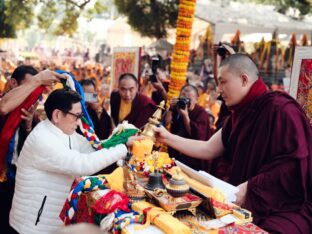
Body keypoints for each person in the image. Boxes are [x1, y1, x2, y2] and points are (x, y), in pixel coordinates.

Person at [154, 54, 312, 233]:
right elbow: (208, 148)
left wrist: (250, 188)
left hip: (286, 205)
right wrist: (166, 137)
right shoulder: (239, 116)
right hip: (244, 198)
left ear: (244, 80)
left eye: (223, 82)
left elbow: (294, 168)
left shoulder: (280, 109)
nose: (219, 90)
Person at [9, 89, 140, 234]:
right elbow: (83, 164)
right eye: (76, 116)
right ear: (57, 115)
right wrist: (122, 147)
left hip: (50, 221)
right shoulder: (42, 139)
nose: (79, 122)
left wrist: (121, 140)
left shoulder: (64, 131)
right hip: (32, 226)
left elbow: (93, 150)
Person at [0, 66, 66, 234]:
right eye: (28, 87)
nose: (30, 95)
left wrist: (29, 127)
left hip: (16, 183)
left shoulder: (32, 116)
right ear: (13, 84)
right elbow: (3, 107)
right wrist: (37, 79)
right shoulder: (5, 104)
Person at [165, 84, 212, 171]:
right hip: (176, 151)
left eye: (188, 99)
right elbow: (165, 123)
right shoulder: (177, 108)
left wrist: (185, 116)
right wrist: (170, 108)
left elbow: (196, 136)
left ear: (197, 99)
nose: (185, 102)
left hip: (193, 156)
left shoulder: (201, 113)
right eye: (183, 98)